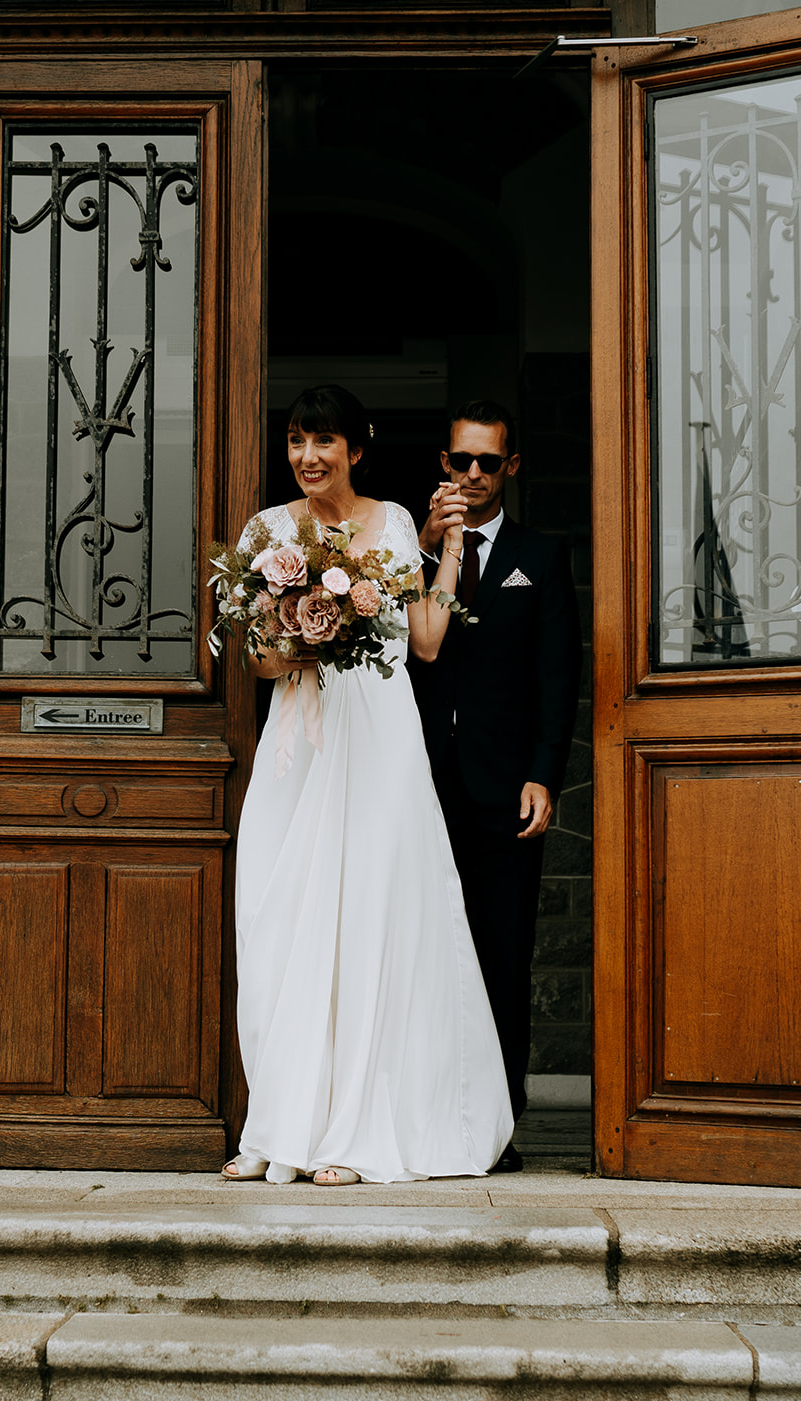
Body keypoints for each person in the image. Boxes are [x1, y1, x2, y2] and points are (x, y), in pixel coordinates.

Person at [223, 384, 513, 1186]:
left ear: (356, 447)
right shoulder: (265, 532)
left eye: (323, 442)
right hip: (301, 747)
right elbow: (256, 659)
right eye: (294, 440)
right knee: (280, 922)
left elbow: (423, 641)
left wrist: (445, 548)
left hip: (379, 742)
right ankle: (280, 1125)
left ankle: (354, 1132)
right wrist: (303, 638)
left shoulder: (390, 523)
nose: (307, 457)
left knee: (376, 923)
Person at [407, 401, 583, 1173]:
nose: (471, 475)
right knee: (415, 952)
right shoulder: (400, 553)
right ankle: (417, 1118)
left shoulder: (540, 557)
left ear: (510, 468)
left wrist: (545, 773)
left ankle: (497, 1128)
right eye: (459, 462)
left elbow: (557, 677)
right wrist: (421, 549)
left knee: (501, 953)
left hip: (502, 784)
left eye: (487, 462)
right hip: (408, 781)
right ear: (442, 465)